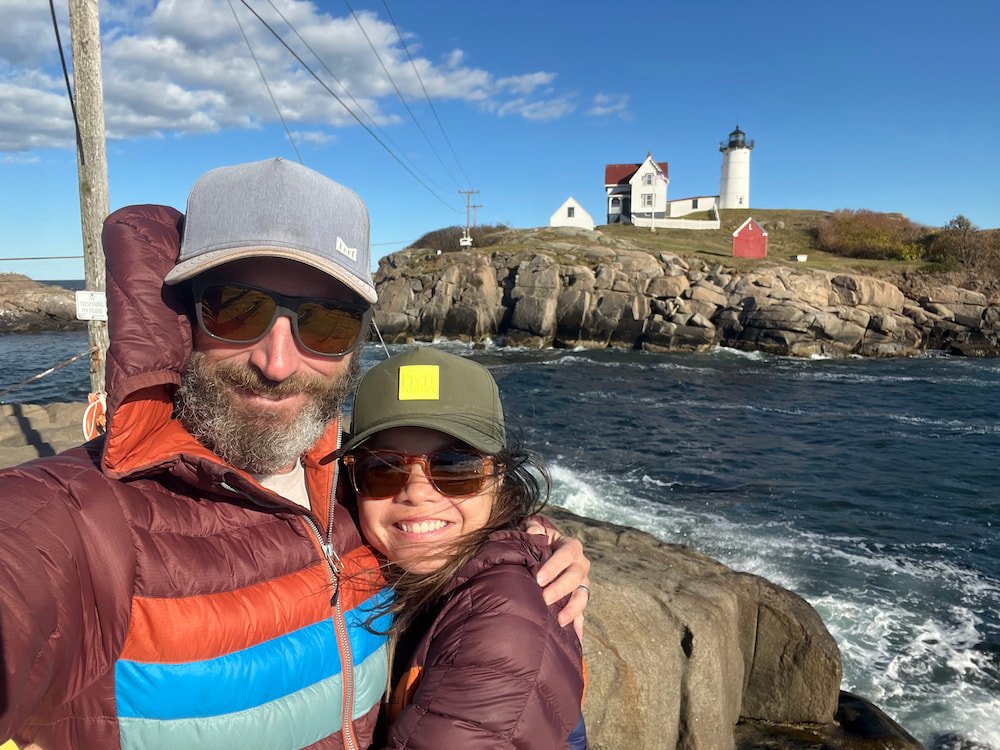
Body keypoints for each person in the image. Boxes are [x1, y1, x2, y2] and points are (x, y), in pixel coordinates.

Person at [0, 158, 589, 749]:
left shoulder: (350, 497)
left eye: (327, 325)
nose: (276, 363)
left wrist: (518, 540)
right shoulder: (76, 520)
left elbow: (432, 516)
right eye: (236, 309)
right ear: (184, 317)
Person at [340, 347, 587, 748]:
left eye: (455, 466)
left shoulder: (502, 628)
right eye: (383, 468)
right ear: (351, 482)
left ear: (499, 476)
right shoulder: (435, 574)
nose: (417, 492)